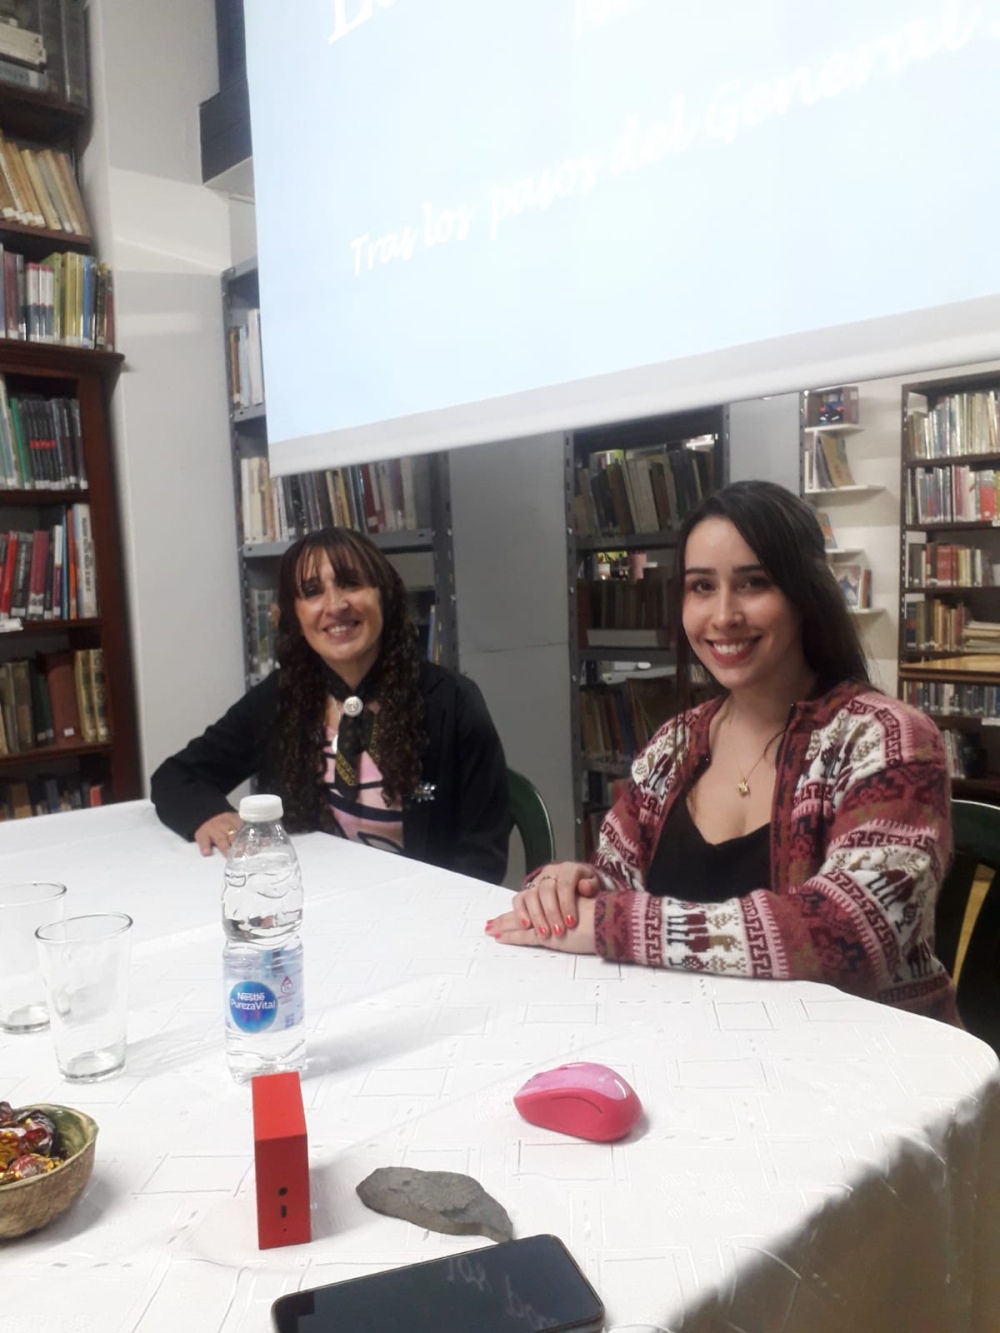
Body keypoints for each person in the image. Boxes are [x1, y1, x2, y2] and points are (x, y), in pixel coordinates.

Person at [487, 480, 959, 1024]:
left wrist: (613, 924)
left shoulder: (888, 739)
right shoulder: (675, 744)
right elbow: (617, 882)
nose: (723, 615)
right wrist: (571, 888)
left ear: (805, 593)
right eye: (701, 587)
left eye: (754, 583)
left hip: (867, 1064)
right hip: (704, 1049)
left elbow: (848, 937)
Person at [152, 527, 510, 883]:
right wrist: (210, 815)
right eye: (312, 592)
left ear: (383, 595)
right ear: (295, 614)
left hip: (423, 914)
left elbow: (483, 855)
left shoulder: (452, 702)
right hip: (314, 907)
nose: (336, 606)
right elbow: (175, 776)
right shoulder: (282, 698)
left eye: (351, 584)